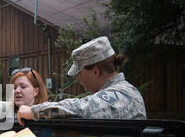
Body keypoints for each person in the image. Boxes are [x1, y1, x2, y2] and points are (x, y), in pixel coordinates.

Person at [17, 36, 147, 125]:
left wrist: (34, 111)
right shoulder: (120, 91)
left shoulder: (121, 94)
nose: (77, 78)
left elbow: (80, 108)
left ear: (96, 71)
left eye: (79, 73)